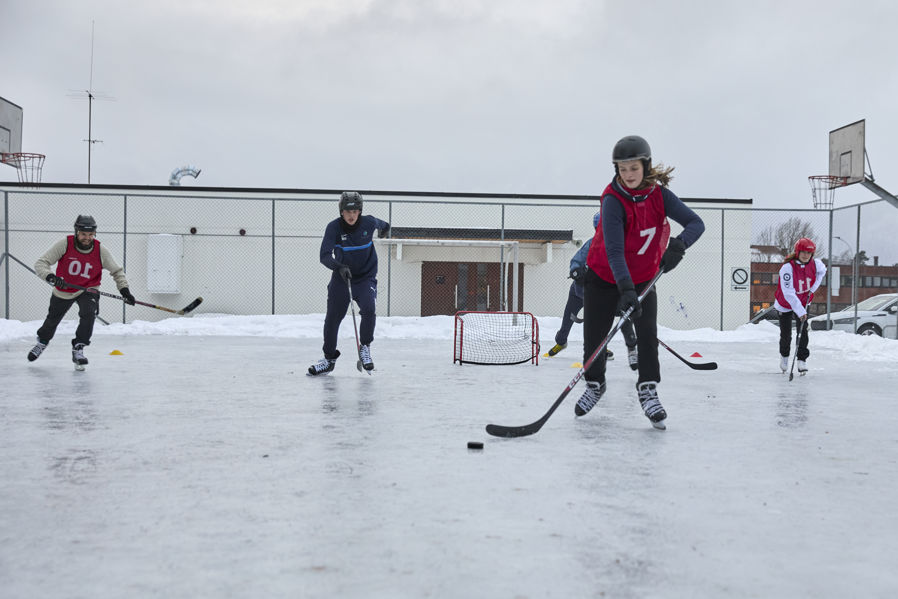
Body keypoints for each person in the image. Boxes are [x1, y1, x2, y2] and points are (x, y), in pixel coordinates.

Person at [575, 135, 705, 429]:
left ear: (645, 166)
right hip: (604, 276)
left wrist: (679, 245)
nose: (628, 175)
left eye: (633, 168)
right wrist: (624, 288)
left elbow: (696, 223)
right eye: (622, 169)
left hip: (644, 278)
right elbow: (614, 251)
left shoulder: (660, 196)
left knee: (647, 335)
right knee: (595, 339)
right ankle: (595, 384)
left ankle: (648, 389)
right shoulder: (612, 200)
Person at [28, 215, 135, 368]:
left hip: (88, 289)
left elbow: (117, 271)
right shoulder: (65, 244)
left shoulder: (100, 250)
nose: (87, 238)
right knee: (53, 319)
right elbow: (41, 263)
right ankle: (42, 342)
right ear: (76, 232)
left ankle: (79, 347)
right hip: (64, 289)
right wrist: (51, 277)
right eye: (83, 234)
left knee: (89, 314)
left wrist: (125, 291)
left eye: (91, 234)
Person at [308, 192, 390, 375]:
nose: (351, 215)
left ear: (360, 211)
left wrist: (384, 230)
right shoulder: (333, 228)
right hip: (342, 279)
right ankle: (328, 359)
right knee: (332, 319)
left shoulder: (369, 222)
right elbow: (324, 256)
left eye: (355, 211)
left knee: (369, 309)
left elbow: (384, 225)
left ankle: (365, 347)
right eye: (347, 211)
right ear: (341, 212)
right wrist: (339, 267)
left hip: (366, 277)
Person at [547, 211, 639, 370]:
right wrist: (576, 272)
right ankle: (561, 342)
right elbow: (576, 261)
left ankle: (600, 348)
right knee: (567, 320)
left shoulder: (617, 246)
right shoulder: (591, 244)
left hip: (597, 294)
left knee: (597, 323)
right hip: (578, 291)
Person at [773, 237, 826, 374]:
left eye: (809, 253)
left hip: (803, 301)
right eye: (803, 252)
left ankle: (802, 360)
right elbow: (788, 293)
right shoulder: (787, 268)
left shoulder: (816, 264)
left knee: (803, 331)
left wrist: (813, 288)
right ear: (797, 252)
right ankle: (784, 356)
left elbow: (822, 272)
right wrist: (800, 311)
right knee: (786, 334)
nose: (806, 255)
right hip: (785, 303)